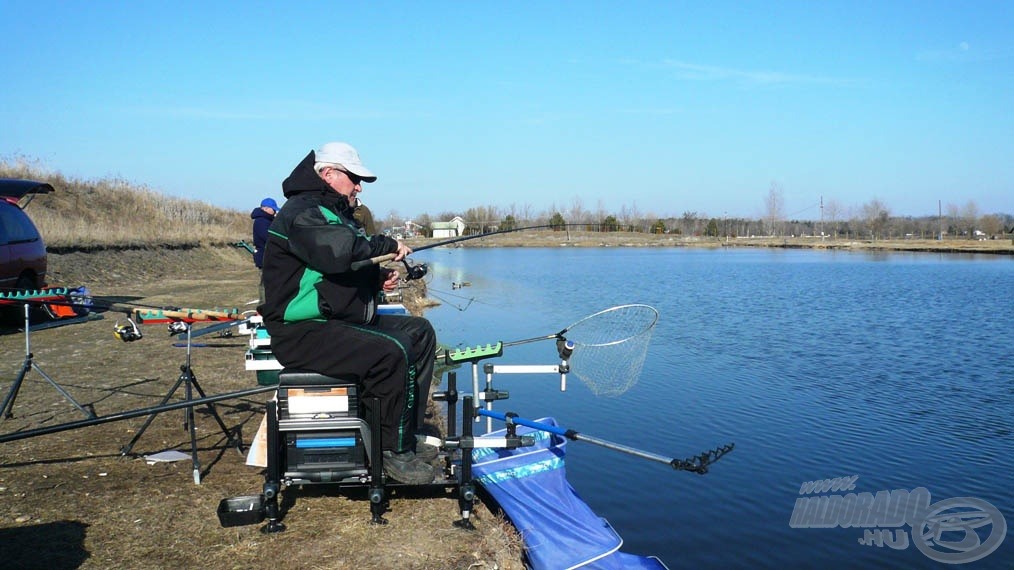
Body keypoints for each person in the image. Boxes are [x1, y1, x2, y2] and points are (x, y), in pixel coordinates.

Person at [259, 142, 437, 485]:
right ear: (328, 174)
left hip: (330, 322)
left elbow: (332, 273)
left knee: (420, 333)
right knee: (394, 351)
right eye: (354, 178)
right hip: (300, 331)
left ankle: (406, 437)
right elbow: (340, 253)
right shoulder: (303, 211)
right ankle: (392, 453)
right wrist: (387, 245)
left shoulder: (329, 211)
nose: (359, 186)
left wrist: (375, 278)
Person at [251, 197, 278, 304]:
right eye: (273, 209)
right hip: (265, 257)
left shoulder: (266, 220)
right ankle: (264, 305)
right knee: (265, 283)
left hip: (268, 256)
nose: (275, 211)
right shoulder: (261, 221)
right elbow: (268, 238)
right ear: (266, 209)